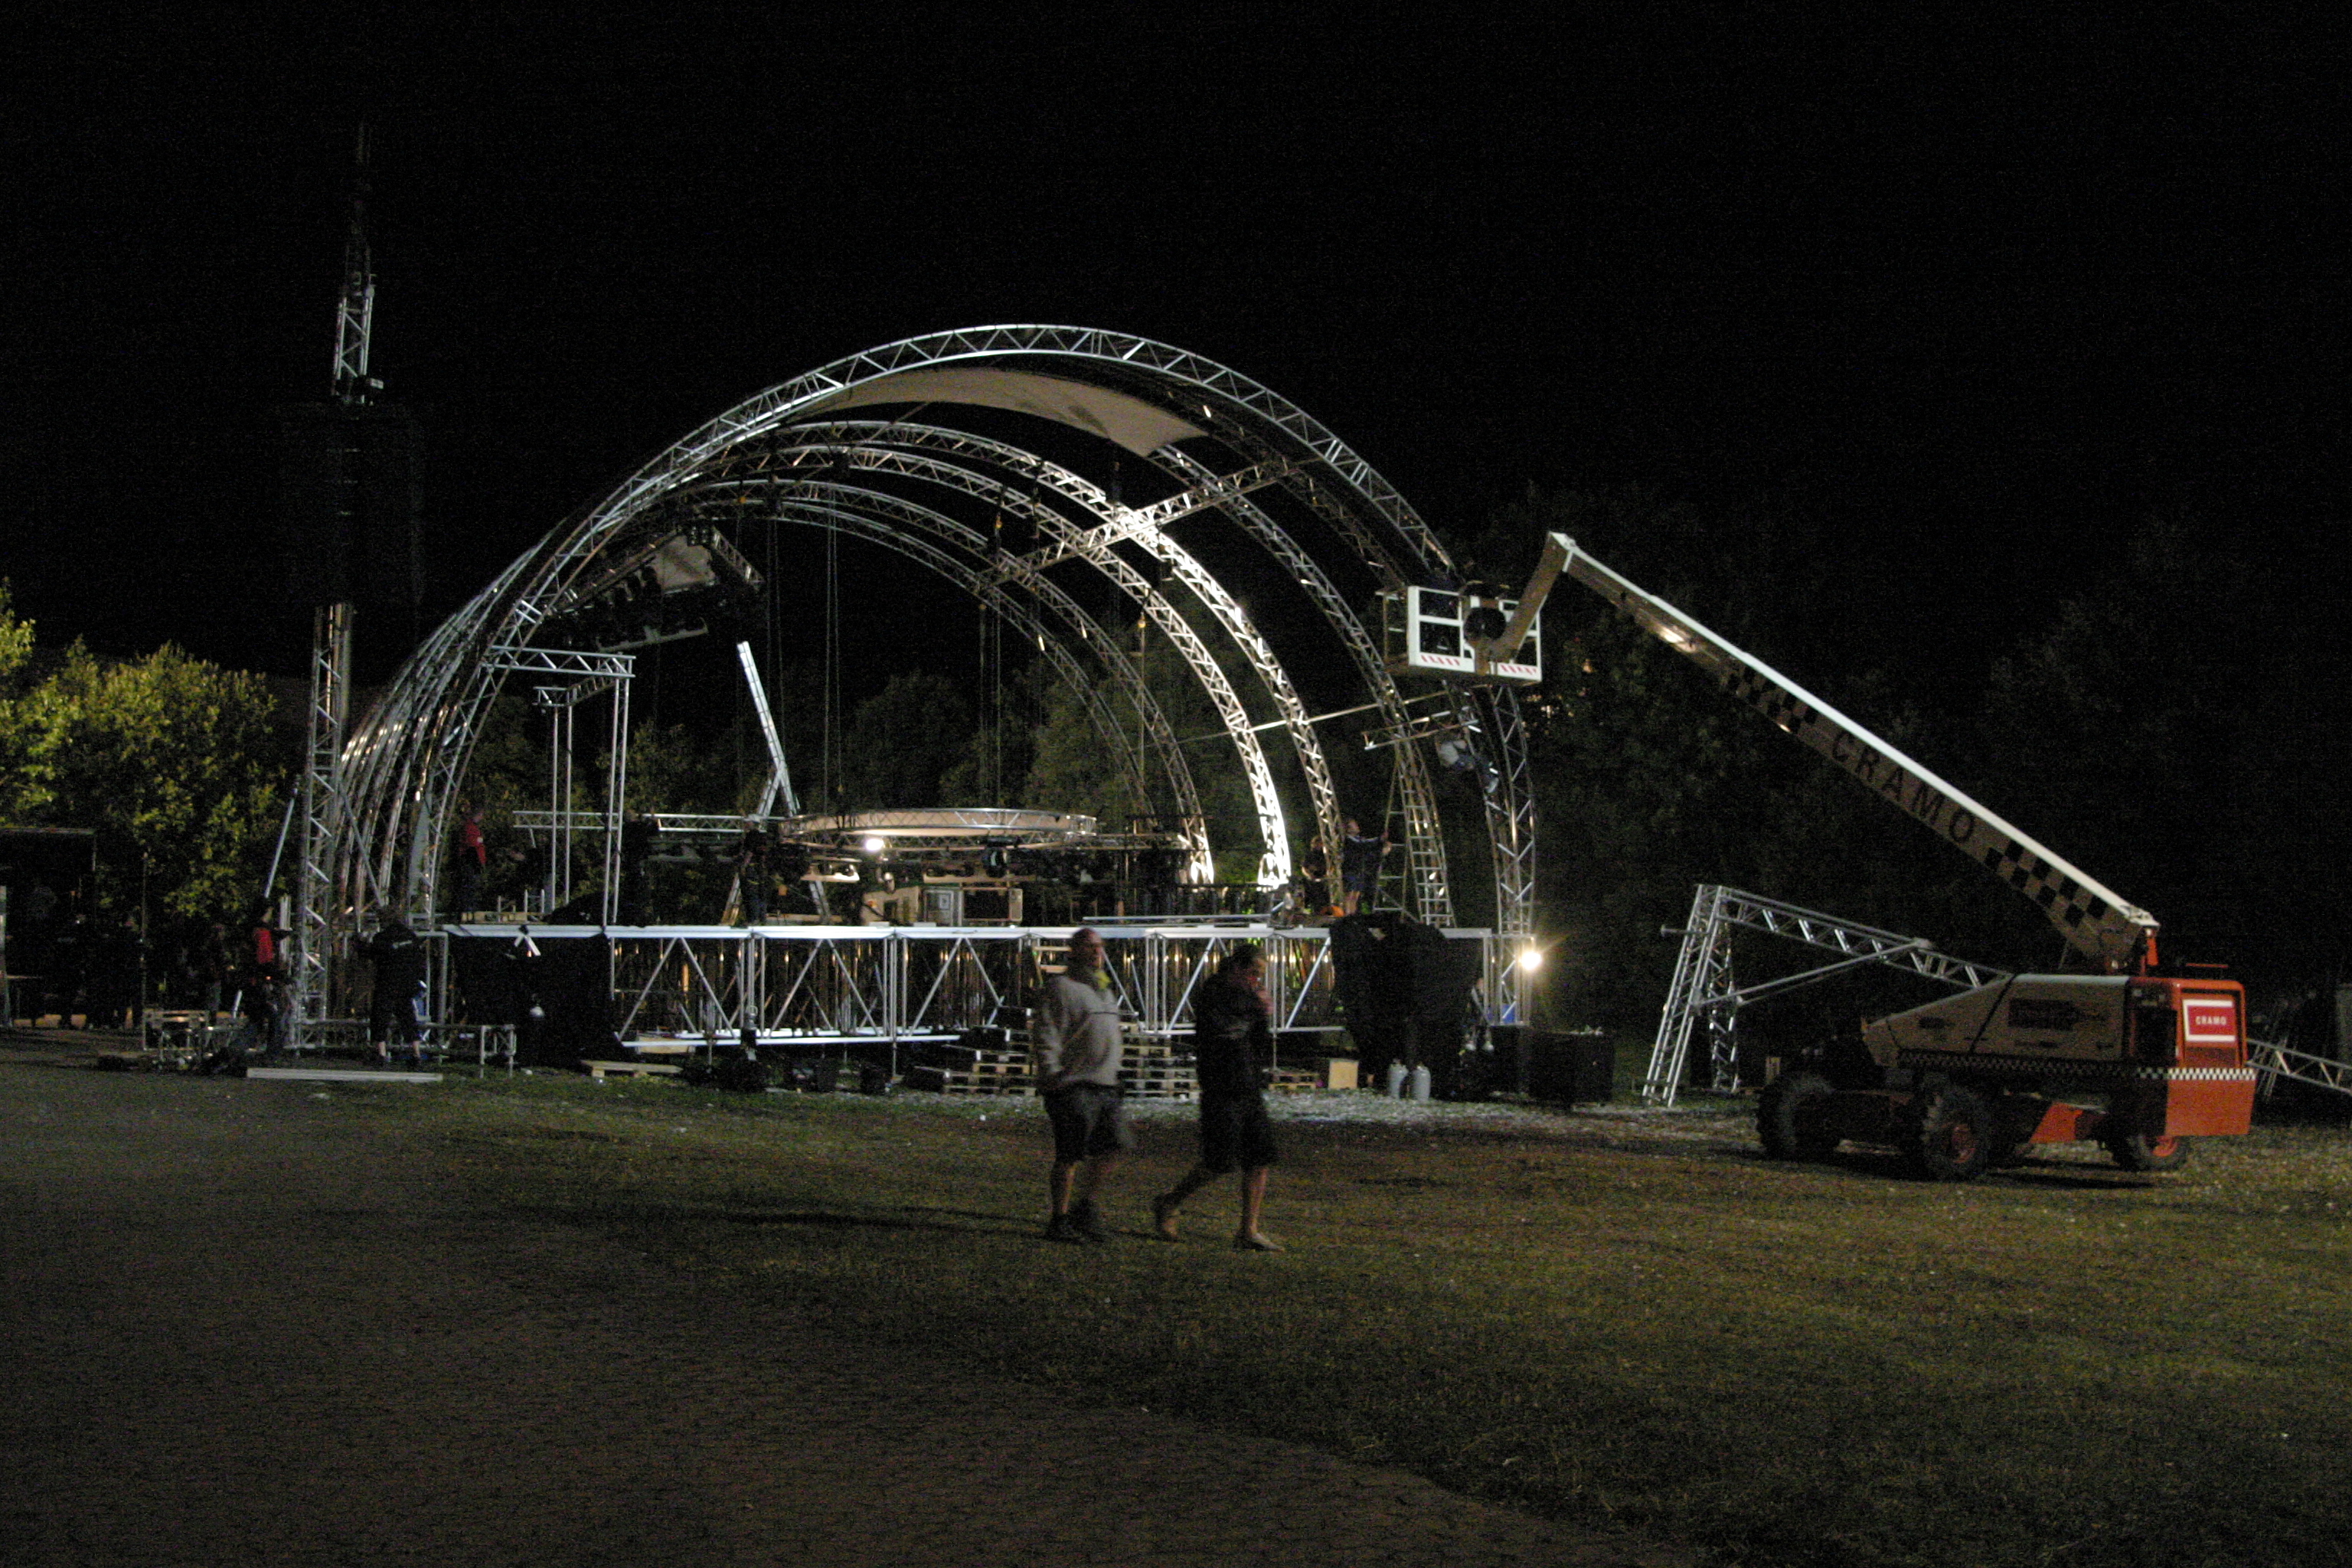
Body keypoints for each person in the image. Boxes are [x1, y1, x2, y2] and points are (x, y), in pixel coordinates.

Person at [1152, 945, 1284, 1251]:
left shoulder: (1249, 997)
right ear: (1237, 968)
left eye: (1260, 975)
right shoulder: (1213, 993)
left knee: (1259, 1158)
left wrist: (1263, 1014)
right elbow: (1224, 1031)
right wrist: (1256, 1008)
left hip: (1248, 1084)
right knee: (1219, 1161)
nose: (1256, 980)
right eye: (1253, 973)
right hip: (1221, 1086)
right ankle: (1170, 1201)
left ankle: (1248, 1230)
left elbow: (1259, 1040)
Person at [1032, 927, 1131, 1243]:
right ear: (1074, 951)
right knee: (1070, 1153)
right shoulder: (1061, 988)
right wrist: (1052, 1072)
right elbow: (1047, 1031)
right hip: (1073, 1082)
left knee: (1111, 1146)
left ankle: (1085, 1207)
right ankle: (1059, 1218)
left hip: (1105, 1082)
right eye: (1090, 946)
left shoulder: (1103, 989)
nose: (1097, 952)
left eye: (1099, 946)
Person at [364, 908, 427, 1065]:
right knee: (408, 1017)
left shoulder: (382, 938)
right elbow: (419, 958)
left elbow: (372, 956)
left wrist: (361, 945)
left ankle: (381, 1053)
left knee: (380, 1017)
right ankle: (416, 1053)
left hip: (388, 982)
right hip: (407, 983)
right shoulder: (410, 936)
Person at [1339, 818, 1389, 915]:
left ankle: (1352, 915)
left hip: (1359, 869)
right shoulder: (1350, 840)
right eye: (1354, 825)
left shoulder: (1358, 839)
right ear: (1348, 829)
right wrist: (1379, 839)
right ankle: (1348, 915)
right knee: (1350, 894)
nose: (1357, 827)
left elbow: (1367, 844)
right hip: (1351, 869)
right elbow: (1364, 845)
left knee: (1356, 895)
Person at [449, 805, 487, 918]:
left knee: (470, 886)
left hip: (472, 860)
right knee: (468, 886)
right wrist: (479, 841)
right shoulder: (470, 827)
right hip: (470, 860)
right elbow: (472, 843)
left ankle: (468, 910)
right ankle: (467, 910)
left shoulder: (470, 827)